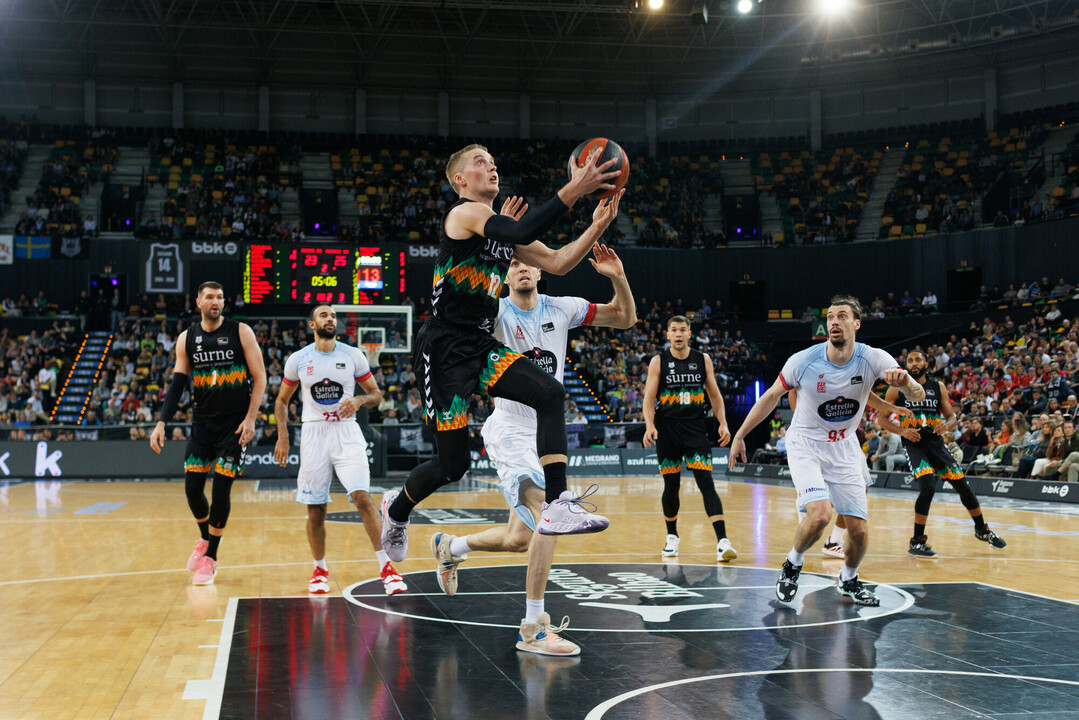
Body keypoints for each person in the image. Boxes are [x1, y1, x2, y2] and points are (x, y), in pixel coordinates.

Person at [379, 144, 620, 564]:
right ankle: (396, 510)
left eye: (493, 162)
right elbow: (516, 233)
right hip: (444, 348)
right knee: (451, 466)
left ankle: (559, 501)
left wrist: (596, 226)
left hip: (480, 342)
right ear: (459, 179)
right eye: (479, 162)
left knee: (550, 393)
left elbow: (559, 263)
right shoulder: (463, 214)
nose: (490, 167)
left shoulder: (500, 228)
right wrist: (575, 188)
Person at [429, 246, 636, 656]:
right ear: (505, 277)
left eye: (529, 264)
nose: (522, 268)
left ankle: (450, 547)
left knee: (518, 539)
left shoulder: (563, 308)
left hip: (546, 432)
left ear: (542, 272)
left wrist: (617, 276)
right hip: (508, 429)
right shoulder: (495, 315)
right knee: (550, 514)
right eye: (513, 264)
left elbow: (625, 318)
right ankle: (533, 627)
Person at [729, 295, 925, 607]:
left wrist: (906, 385)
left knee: (859, 531)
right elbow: (769, 397)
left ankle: (849, 578)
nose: (834, 321)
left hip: (844, 447)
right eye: (830, 316)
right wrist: (741, 434)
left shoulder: (872, 358)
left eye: (842, 316)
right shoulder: (804, 360)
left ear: (856, 324)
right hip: (806, 443)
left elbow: (917, 390)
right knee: (820, 514)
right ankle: (792, 564)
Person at [273, 305, 407, 597]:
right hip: (313, 434)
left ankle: (387, 569)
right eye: (323, 315)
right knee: (316, 508)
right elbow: (281, 401)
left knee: (362, 497)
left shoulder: (353, 355)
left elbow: (376, 394)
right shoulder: (298, 359)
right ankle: (319, 569)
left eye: (333, 315)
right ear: (312, 324)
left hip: (347, 433)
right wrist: (283, 436)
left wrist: (358, 401)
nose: (330, 319)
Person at [149, 281, 267, 585]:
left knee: (220, 491)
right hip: (202, 424)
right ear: (198, 303)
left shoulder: (241, 331)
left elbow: (260, 377)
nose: (216, 301)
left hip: (235, 426)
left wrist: (252, 419)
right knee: (191, 489)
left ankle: (211, 559)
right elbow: (177, 384)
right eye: (210, 297)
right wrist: (162, 422)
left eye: (220, 297)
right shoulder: (186, 338)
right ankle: (205, 539)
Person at [876, 351, 1006, 557]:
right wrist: (902, 431)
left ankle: (982, 530)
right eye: (910, 360)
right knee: (927, 487)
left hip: (936, 444)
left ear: (927, 363)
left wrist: (947, 426)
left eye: (918, 359)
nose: (914, 363)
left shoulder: (938, 387)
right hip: (915, 444)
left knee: (963, 487)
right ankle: (917, 541)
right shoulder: (896, 389)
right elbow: (881, 420)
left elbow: (952, 417)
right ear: (906, 365)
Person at [643, 315, 735, 562]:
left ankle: (722, 541)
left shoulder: (702, 360)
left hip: (695, 429)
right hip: (668, 430)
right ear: (668, 335)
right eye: (674, 330)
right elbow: (649, 398)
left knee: (706, 482)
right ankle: (672, 537)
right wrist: (649, 425)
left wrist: (723, 423)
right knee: (671, 486)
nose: (679, 334)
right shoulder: (658, 362)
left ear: (689, 333)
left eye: (683, 329)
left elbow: (715, 396)